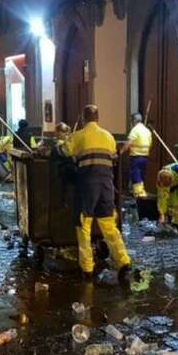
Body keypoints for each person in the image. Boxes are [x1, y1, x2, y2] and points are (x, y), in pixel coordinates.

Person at [63, 105, 131, 280]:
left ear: (84, 118)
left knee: (84, 226)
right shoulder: (108, 137)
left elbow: (63, 151)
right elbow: (114, 159)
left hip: (87, 186)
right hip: (106, 185)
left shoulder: (79, 135)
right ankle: (124, 261)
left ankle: (87, 267)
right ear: (98, 118)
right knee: (109, 225)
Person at [121, 113, 152, 197]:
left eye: (131, 121)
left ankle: (139, 196)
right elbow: (150, 143)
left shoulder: (135, 130)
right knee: (141, 177)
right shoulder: (147, 131)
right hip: (145, 157)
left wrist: (121, 151)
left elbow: (129, 143)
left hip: (136, 158)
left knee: (136, 177)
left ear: (134, 121)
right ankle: (141, 195)